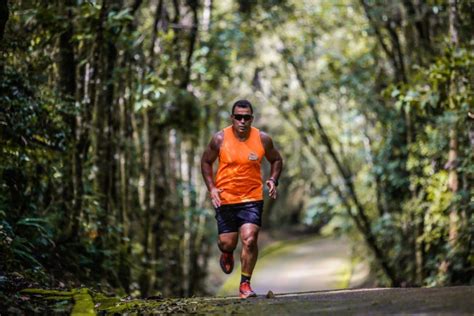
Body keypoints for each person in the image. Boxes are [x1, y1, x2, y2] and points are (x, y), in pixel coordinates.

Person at [201, 99, 283, 298]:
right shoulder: (219, 139)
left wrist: (273, 179)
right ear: (232, 118)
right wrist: (211, 188)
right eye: (238, 117)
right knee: (227, 243)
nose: (242, 121)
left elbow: (276, 159)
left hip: (251, 197)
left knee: (249, 239)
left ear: (251, 119)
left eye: (246, 117)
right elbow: (206, 161)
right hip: (226, 198)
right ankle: (227, 252)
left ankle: (245, 284)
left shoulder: (262, 139)